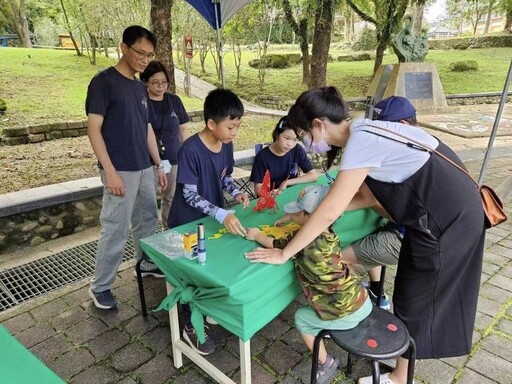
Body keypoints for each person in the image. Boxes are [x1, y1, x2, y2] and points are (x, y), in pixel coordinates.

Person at [246, 87, 485, 384]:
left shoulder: (363, 140)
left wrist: (285, 251)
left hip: (445, 220)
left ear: (318, 125)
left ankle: (400, 377)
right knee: (410, 293)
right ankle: (401, 368)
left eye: (303, 134)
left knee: (416, 299)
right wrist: (303, 215)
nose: (305, 144)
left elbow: (332, 209)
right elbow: (365, 197)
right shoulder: (365, 131)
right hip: (438, 214)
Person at [246, 185, 372, 384]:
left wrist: (255, 235)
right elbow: (310, 223)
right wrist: (295, 218)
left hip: (346, 313)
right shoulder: (329, 233)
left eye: (298, 211)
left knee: (301, 318)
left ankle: (326, 363)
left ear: (310, 217)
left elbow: (275, 244)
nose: (292, 213)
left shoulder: (301, 241)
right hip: (363, 301)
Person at [86, 26, 168, 310]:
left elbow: (146, 129)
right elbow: (94, 129)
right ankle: (101, 286)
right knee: (115, 228)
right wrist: (109, 171)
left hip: (143, 167)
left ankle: (145, 264)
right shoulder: (104, 82)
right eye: (140, 53)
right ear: (123, 47)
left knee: (147, 221)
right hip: (119, 169)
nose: (145, 59)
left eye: (149, 55)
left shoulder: (138, 87)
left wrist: (157, 164)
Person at [168, 88, 250, 355]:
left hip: (212, 217)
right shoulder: (190, 149)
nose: (234, 132)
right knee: (189, 275)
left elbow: (224, 176)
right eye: (231, 126)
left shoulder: (226, 144)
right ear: (211, 123)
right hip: (186, 222)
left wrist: (235, 191)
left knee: (208, 268)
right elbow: (189, 194)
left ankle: (207, 308)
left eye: (237, 126)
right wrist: (222, 214)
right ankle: (189, 325)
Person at [342, 96, 419, 310]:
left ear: (402, 126)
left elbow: (374, 202)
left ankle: (348, 311)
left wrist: (336, 205)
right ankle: (378, 294)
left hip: (405, 239)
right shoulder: (415, 150)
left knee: (335, 258)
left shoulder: (406, 158)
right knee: (365, 240)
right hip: (405, 232)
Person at [140, 61, 190, 229]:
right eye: (155, 82)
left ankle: (168, 231)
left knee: (170, 197)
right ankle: (149, 236)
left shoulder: (174, 101)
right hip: (147, 161)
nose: (160, 86)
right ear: (146, 81)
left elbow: (183, 128)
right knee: (148, 202)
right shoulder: (141, 102)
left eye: (164, 82)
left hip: (173, 158)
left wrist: (186, 153)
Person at [250, 116, 317, 196]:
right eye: (287, 138)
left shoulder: (296, 150)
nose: (290, 144)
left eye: (294, 140)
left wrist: (287, 182)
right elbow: (258, 188)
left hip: (292, 194)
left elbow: (313, 175)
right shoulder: (262, 157)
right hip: (270, 199)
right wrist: (269, 194)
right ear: (277, 134)